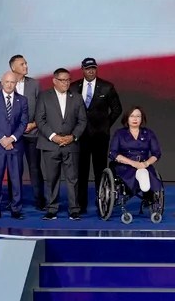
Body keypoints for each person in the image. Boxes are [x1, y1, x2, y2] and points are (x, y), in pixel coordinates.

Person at [72, 58, 123, 215]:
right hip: (80, 136)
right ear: (82, 69)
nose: (91, 71)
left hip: (100, 136)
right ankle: (81, 204)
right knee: (81, 171)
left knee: (100, 170)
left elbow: (117, 109)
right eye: (88, 69)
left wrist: (105, 125)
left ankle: (102, 202)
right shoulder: (74, 87)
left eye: (93, 68)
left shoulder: (107, 87)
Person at [36, 68, 88, 220]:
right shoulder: (44, 96)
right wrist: (53, 136)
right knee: (52, 178)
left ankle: (74, 209)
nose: (66, 83)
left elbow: (82, 120)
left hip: (71, 145)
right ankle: (52, 208)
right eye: (63, 80)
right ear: (54, 81)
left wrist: (73, 136)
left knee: (73, 179)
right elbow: (40, 120)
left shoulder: (77, 97)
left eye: (68, 80)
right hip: (50, 145)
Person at [1, 55, 45, 210]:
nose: (26, 66)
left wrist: (34, 124)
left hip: (31, 133)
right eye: (22, 64)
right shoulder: (3, 84)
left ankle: (40, 201)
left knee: (34, 168)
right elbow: (1, 111)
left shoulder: (34, 84)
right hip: (12, 136)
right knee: (14, 169)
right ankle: (14, 201)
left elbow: (41, 108)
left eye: (26, 63)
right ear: (13, 67)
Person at [0, 72, 29, 220]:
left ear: (16, 83)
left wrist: (12, 139)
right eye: (7, 82)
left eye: (13, 82)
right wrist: (3, 139)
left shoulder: (22, 100)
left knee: (16, 179)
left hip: (15, 145)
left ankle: (16, 209)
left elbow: (23, 122)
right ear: (2, 82)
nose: (10, 85)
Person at [109, 107, 163, 213]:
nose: (135, 119)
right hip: (124, 166)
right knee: (136, 174)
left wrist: (146, 163)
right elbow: (113, 153)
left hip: (144, 165)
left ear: (142, 119)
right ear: (127, 119)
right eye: (132, 116)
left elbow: (156, 153)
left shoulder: (148, 133)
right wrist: (133, 163)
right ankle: (142, 184)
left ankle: (147, 190)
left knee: (145, 173)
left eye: (138, 116)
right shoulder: (120, 133)